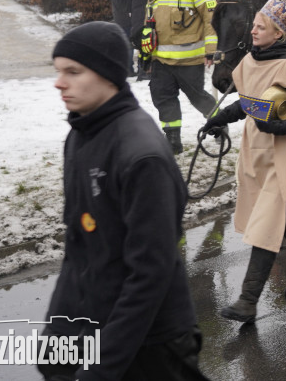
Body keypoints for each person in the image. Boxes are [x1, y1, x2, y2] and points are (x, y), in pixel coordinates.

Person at [43, 22, 209, 380]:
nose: (60, 82)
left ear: (108, 76)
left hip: (156, 344)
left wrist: (102, 369)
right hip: (100, 332)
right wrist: (57, 340)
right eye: (59, 71)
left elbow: (150, 273)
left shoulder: (142, 155)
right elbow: (78, 249)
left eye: (73, 72)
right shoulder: (80, 137)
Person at [201, 0, 286, 322]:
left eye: (260, 27)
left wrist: (279, 125)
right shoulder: (250, 61)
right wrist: (219, 118)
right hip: (258, 150)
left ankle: (247, 300)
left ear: (278, 34)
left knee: (269, 221)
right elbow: (248, 102)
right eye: (253, 25)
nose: (253, 31)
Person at [143, 0, 219, 154]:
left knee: (198, 97)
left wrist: (211, 50)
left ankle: (218, 125)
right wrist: (146, 53)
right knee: (164, 99)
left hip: (189, 60)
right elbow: (148, 23)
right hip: (161, 61)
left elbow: (210, 19)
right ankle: (173, 140)